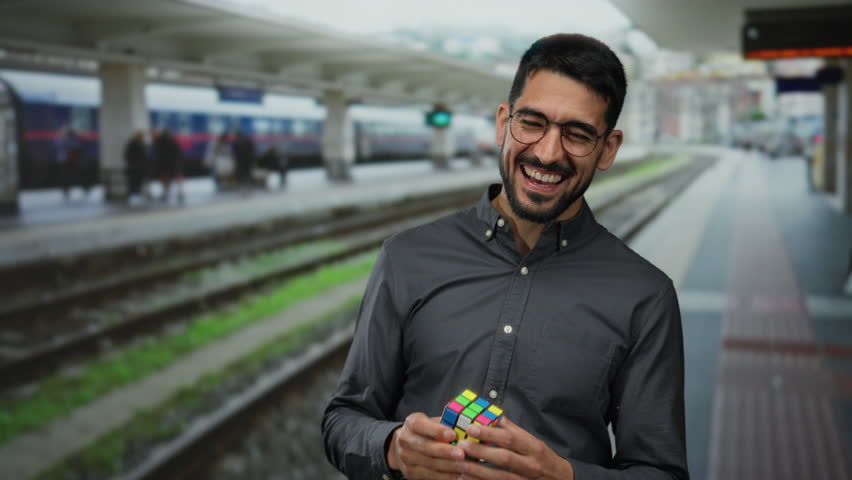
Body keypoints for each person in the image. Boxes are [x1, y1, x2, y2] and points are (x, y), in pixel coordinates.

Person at [322, 34, 688, 480]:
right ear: (502, 122)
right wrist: (394, 447)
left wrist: (564, 476)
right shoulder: (407, 257)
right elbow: (343, 420)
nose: (548, 153)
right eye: (531, 123)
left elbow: (661, 472)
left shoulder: (645, 296)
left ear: (608, 148)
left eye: (577, 134)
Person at [153, 128, 183, 201]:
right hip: (173, 163)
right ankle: (179, 193)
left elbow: (155, 150)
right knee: (176, 177)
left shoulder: (159, 141)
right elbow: (178, 151)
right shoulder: (172, 141)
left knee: (165, 178)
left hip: (164, 163)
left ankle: (165, 193)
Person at [55, 126, 84, 198]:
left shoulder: (62, 139)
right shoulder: (73, 139)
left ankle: (66, 189)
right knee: (72, 174)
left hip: (65, 160)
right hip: (69, 160)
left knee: (66, 175)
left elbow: (58, 146)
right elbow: (77, 146)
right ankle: (67, 188)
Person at [123, 130, 149, 199]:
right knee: (133, 182)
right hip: (134, 167)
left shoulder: (141, 144)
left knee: (138, 182)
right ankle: (133, 195)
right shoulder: (133, 144)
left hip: (139, 167)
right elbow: (128, 155)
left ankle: (136, 194)